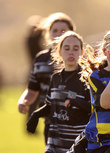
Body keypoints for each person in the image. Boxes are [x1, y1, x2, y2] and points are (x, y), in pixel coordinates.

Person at [27, 31, 91, 153]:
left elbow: (94, 108)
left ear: (82, 52)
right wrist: (35, 115)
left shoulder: (87, 79)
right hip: (54, 143)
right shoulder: (55, 78)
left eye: (75, 48)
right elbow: (51, 105)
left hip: (78, 144)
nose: (71, 52)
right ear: (59, 52)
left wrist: (76, 102)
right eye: (66, 48)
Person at [17, 12, 76, 143]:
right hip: (50, 121)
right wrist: (23, 101)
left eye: (63, 30)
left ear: (71, 34)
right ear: (47, 34)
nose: (59, 33)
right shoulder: (40, 59)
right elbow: (32, 90)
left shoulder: (80, 59)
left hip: (76, 122)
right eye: (54, 30)